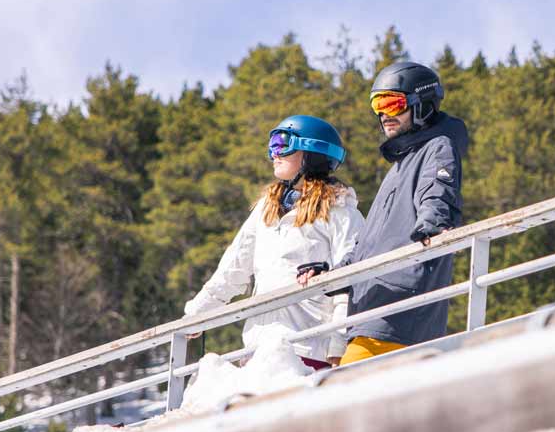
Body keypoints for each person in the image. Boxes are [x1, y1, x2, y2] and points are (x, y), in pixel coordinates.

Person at [301, 60, 468, 365]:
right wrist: (332, 274)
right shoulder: (399, 167)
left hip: (399, 312)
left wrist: (434, 223)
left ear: (422, 105)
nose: (383, 114)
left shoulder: (438, 148)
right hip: (370, 310)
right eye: (377, 105)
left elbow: (438, 193)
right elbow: (369, 244)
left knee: (345, 396)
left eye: (392, 103)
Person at [184, 115, 363, 369]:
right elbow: (233, 268)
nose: (274, 153)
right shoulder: (266, 210)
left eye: (282, 144)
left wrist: (338, 345)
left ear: (312, 153)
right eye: (272, 146)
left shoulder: (340, 212)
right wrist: (197, 314)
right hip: (259, 348)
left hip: (307, 348)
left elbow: (349, 284)